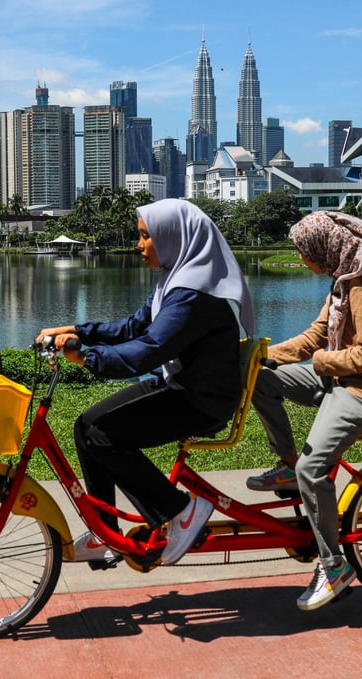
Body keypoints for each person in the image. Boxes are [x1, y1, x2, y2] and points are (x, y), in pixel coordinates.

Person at [37, 198, 254, 567]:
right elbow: (134, 327)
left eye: (145, 236)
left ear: (172, 236)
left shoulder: (193, 293)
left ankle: (181, 510)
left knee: (102, 435)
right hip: (180, 386)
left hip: (201, 400)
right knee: (86, 426)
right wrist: (76, 330)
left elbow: (149, 350)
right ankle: (105, 534)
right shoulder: (175, 278)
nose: (139, 245)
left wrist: (87, 356)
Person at [246, 210, 362, 610]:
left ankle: (334, 566)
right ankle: (286, 462)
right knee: (260, 382)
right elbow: (316, 337)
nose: (302, 259)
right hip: (341, 380)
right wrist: (260, 357)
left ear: (324, 249)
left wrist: (321, 363)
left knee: (312, 468)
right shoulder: (341, 284)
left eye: (303, 252)